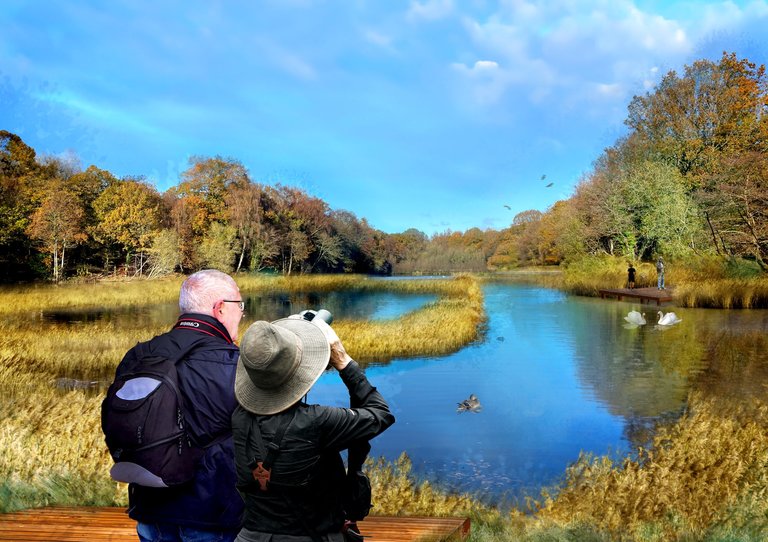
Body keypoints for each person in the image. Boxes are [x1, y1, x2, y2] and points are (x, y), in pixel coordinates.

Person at [231, 315, 395, 542]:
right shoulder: (316, 421)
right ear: (298, 371)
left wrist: (278, 341)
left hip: (249, 536)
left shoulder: (239, 417)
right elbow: (381, 414)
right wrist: (343, 360)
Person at [113, 269, 245, 542]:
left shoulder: (138, 355)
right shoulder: (235, 362)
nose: (242, 313)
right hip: (213, 514)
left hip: (150, 508)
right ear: (220, 308)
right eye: (240, 305)